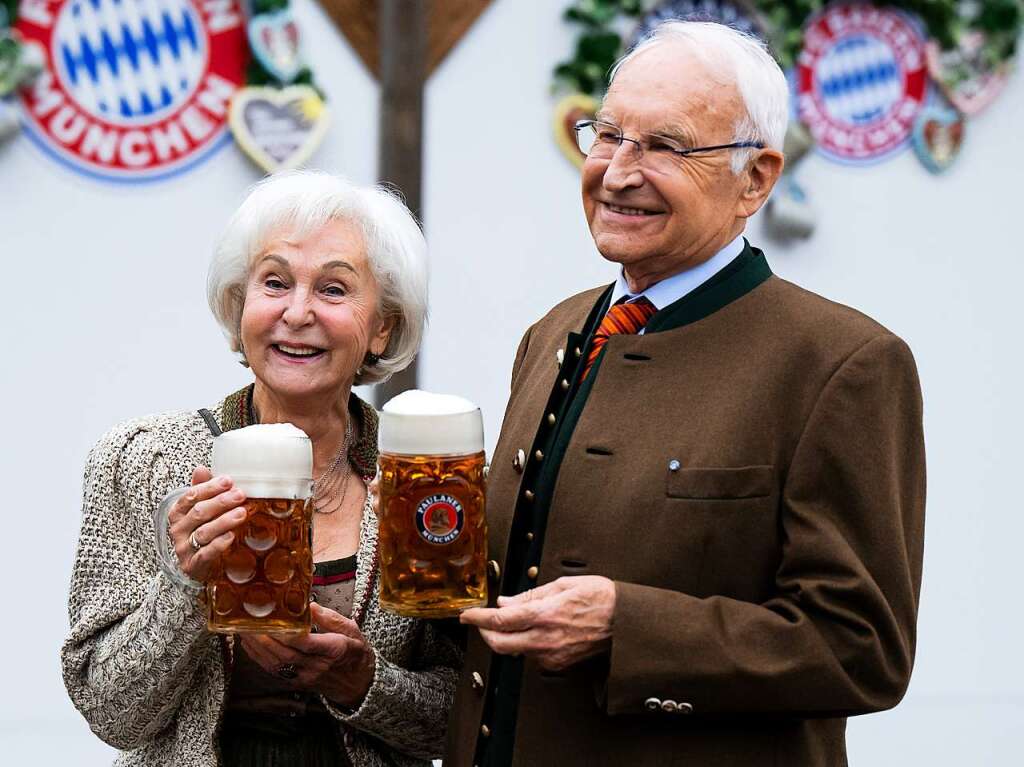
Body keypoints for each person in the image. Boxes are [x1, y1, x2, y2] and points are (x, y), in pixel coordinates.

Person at [448, 21, 926, 767]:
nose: (616, 172)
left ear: (757, 179)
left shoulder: (842, 362)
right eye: (606, 135)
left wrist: (625, 626)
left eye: (665, 146)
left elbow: (862, 648)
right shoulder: (553, 331)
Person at [62, 171, 459, 766]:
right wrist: (183, 584)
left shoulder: (428, 479)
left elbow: (466, 713)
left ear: (383, 326)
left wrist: (363, 680)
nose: (297, 313)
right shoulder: (140, 460)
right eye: (274, 282)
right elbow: (112, 712)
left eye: (333, 289)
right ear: (238, 306)